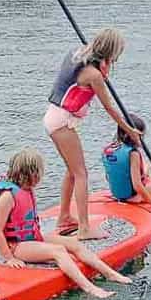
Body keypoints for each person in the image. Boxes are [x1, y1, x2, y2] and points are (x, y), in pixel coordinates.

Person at [0, 149, 132, 300]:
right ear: (30, 172)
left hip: (32, 238)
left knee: (73, 243)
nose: (40, 176)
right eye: (39, 172)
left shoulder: (25, 188)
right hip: (16, 246)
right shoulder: (7, 196)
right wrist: (9, 257)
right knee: (58, 251)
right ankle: (90, 288)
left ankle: (110, 273)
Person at [43, 27, 140, 239]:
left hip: (54, 117)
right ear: (111, 52)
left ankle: (64, 217)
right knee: (81, 174)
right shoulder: (93, 75)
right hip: (62, 122)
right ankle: (85, 229)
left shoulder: (77, 53)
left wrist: (103, 67)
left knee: (71, 170)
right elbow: (109, 108)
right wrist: (129, 130)